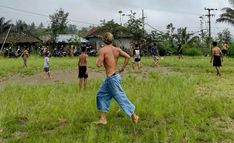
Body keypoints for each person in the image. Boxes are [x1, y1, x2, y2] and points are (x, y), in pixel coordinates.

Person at [95, 32, 139, 125]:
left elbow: (98, 65)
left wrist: (98, 58)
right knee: (101, 95)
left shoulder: (103, 50)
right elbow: (128, 57)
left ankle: (134, 116)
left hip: (112, 79)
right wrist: (122, 68)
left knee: (120, 98)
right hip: (113, 77)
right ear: (112, 40)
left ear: (104, 40)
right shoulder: (117, 50)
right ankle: (103, 119)